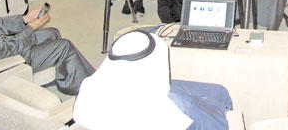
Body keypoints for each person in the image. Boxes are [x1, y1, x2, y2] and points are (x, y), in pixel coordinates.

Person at [74, 30, 233, 130]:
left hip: (137, 95)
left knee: (215, 91)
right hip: (182, 111)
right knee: (219, 94)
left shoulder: (89, 88)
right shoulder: (174, 106)